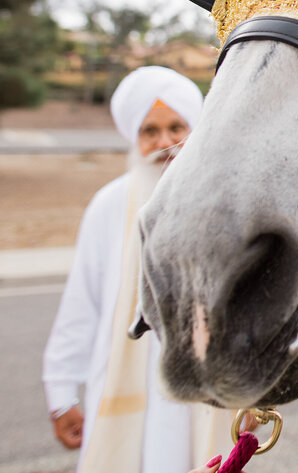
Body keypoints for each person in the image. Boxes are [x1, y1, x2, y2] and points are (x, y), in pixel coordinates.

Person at [43, 66, 219, 472]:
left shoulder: (218, 201)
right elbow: (82, 303)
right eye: (149, 131)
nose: (164, 142)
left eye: (177, 126)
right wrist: (61, 392)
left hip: (204, 389)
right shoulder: (109, 205)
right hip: (129, 389)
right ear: (133, 138)